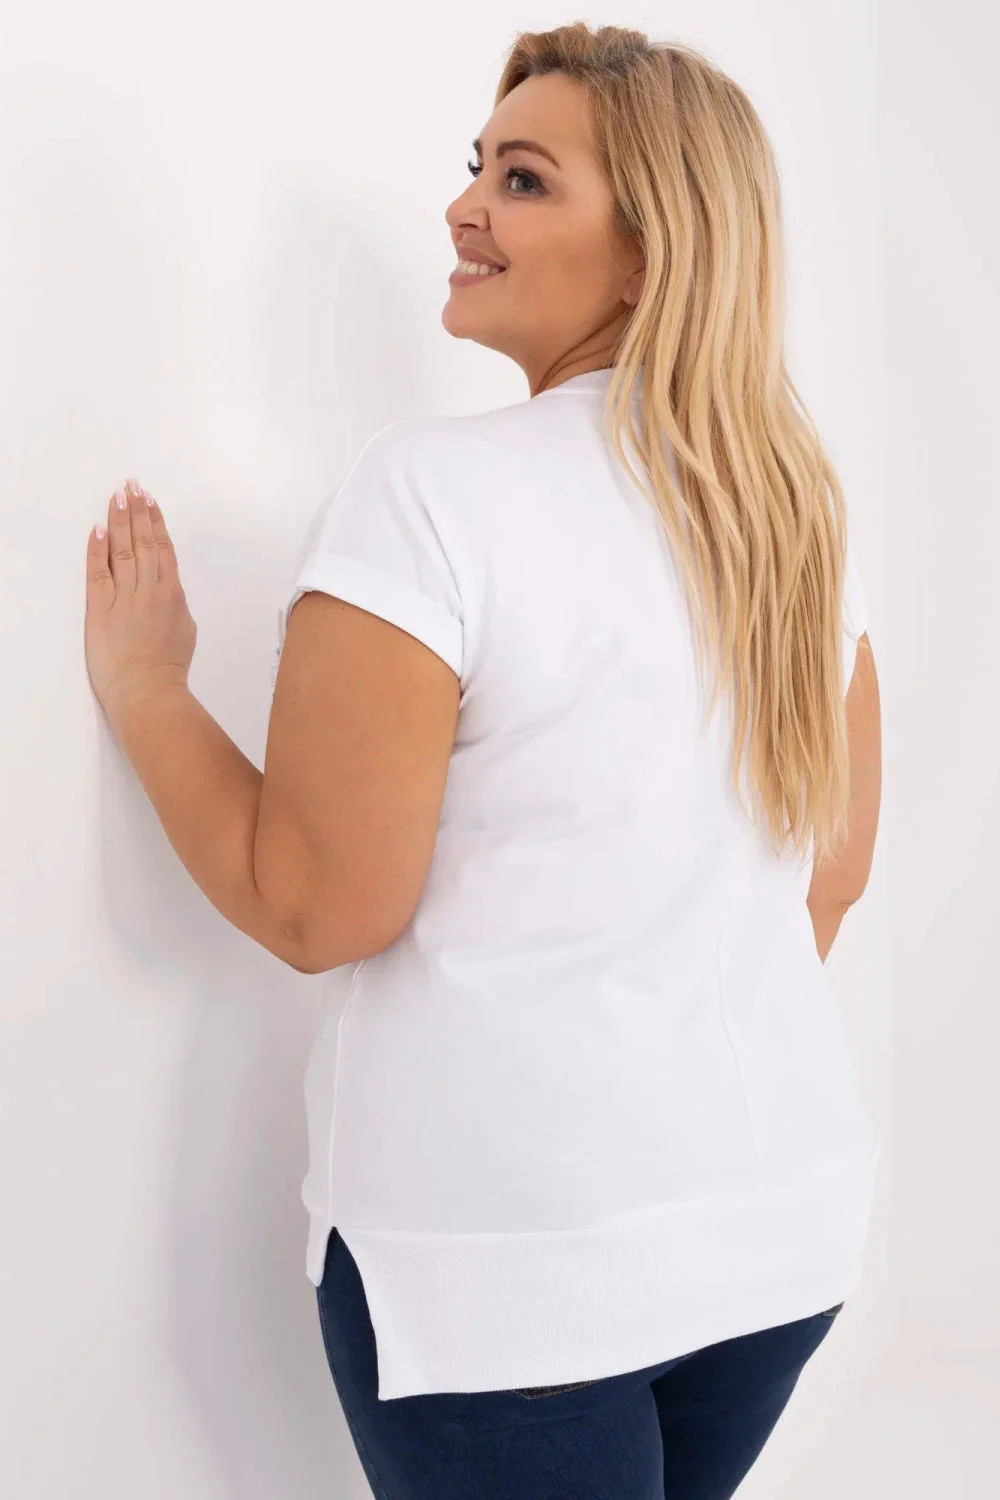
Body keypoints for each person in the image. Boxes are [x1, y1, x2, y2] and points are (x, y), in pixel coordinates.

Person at [272, 24, 882, 1500]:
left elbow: (319, 909)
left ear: (648, 251)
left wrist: (145, 689)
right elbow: (833, 877)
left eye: (524, 179)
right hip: (775, 1235)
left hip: (503, 1280)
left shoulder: (432, 492)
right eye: (479, 167)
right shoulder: (789, 520)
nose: (463, 207)